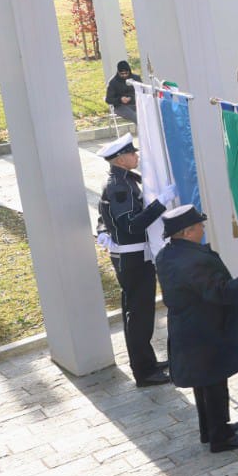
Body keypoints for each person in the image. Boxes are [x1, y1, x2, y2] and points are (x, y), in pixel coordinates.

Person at [155, 204, 238, 453]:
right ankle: (220, 436)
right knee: (214, 381)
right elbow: (221, 291)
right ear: (187, 232)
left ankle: (210, 428)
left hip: (189, 328)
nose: (202, 229)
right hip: (205, 329)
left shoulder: (167, 255)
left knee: (204, 382)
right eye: (199, 225)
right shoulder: (194, 260)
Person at [95, 135, 172, 386]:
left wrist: (103, 229)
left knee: (139, 314)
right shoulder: (120, 185)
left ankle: (147, 363)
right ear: (120, 159)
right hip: (134, 258)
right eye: (132, 153)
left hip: (135, 256)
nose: (136, 156)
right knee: (139, 316)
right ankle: (144, 371)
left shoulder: (123, 181)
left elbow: (104, 212)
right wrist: (160, 204)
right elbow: (131, 225)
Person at [105, 60, 140, 126]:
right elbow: (108, 99)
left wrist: (131, 98)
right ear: (118, 72)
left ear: (129, 71)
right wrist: (120, 99)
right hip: (120, 106)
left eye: (126, 73)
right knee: (136, 117)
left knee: (145, 114)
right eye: (122, 74)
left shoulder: (136, 78)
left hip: (135, 103)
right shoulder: (113, 82)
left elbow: (142, 92)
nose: (124, 75)